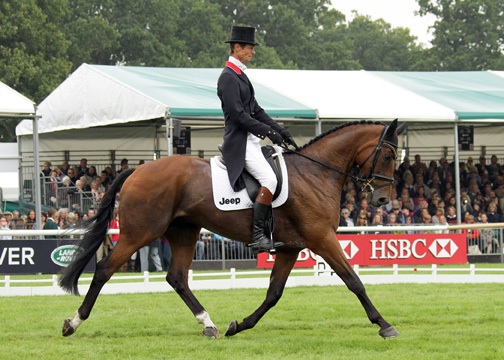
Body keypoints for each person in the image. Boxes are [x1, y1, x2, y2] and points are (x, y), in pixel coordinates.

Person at [217, 25, 296, 254]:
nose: (253, 52)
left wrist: (279, 130)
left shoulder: (241, 75)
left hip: (251, 139)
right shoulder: (228, 77)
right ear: (237, 48)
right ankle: (258, 236)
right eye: (250, 48)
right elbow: (239, 115)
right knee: (269, 181)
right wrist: (267, 133)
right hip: (239, 143)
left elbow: (256, 110)